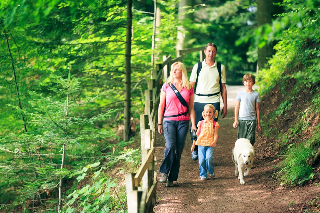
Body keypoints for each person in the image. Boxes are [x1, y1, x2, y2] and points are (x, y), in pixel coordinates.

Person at [158, 62, 197, 187]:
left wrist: (193, 124)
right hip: (169, 120)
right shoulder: (167, 86)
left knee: (178, 150)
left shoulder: (189, 87)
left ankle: (172, 177)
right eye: (173, 69)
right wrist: (159, 123)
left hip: (183, 122)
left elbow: (191, 108)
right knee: (170, 145)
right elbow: (161, 106)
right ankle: (164, 172)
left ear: (182, 71)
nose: (174, 71)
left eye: (177, 69)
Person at [189, 43, 227, 161]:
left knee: (211, 127)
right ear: (205, 52)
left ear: (216, 53)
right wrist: (187, 103)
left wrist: (225, 105)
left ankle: (207, 152)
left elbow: (223, 88)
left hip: (214, 100)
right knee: (196, 125)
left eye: (213, 51)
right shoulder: (198, 66)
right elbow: (191, 85)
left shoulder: (220, 67)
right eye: (209, 51)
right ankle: (195, 148)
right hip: (199, 100)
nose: (211, 53)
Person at [191, 104, 219, 180]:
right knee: (202, 160)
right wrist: (193, 144)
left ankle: (211, 171)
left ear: (213, 113)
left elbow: (216, 134)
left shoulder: (215, 124)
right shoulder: (201, 123)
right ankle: (203, 174)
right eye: (207, 112)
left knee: (209, 158)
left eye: (210, 112)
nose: (208, 114)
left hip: (210, 144)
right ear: (204, 113)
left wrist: (214, 141)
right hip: (201, 144)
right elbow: (197, 134)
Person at [233, 73, 261, 145]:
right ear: (243, 82)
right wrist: (236, 120)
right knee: (241, 140)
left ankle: (249, 155)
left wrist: (258, 123)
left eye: (250, 81)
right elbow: (237, 106)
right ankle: (241, 155)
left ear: (253, 82)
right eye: (246, 81)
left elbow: (257, 109)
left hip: (252, 120)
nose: (248, 83)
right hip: (242, 119)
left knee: (250, 140)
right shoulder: (240, 93)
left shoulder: (256, 94)